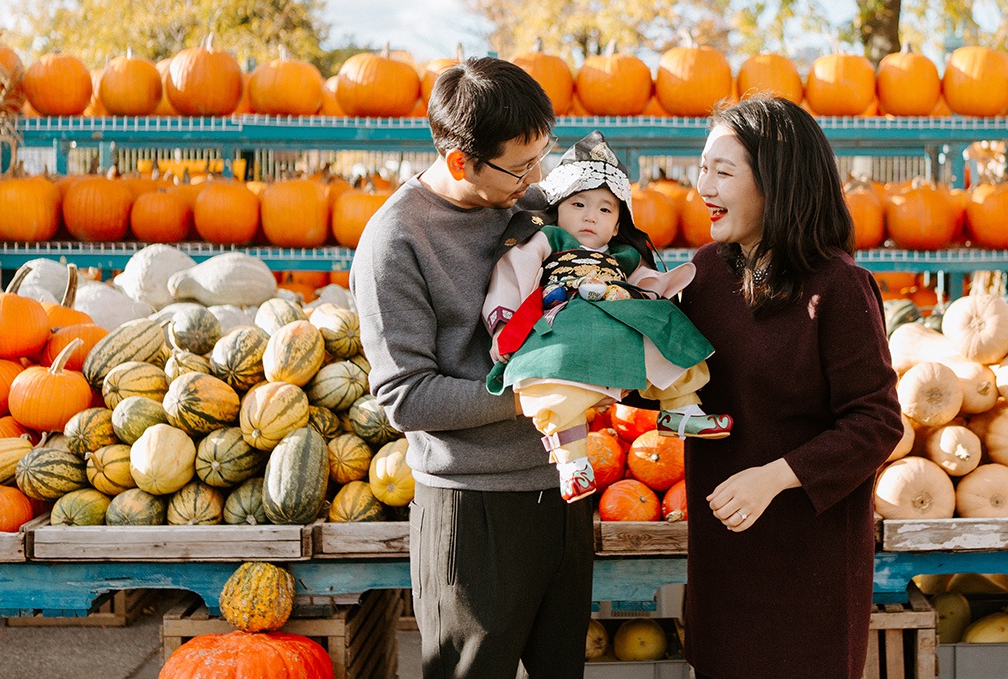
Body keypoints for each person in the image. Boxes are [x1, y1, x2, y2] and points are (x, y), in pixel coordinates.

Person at [351, 57, 592, 679]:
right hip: (471, 508)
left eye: (542, 155)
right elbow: (406, 397)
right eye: (519, 164)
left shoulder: (536, 210)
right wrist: (532, 396)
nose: (535, 176)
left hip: (562, 492)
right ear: (460, 161)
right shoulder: (395, 240)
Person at [680, 96, 904, 679]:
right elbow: (674, 384)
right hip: (723, 557)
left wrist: (775, 477)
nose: (703, 185)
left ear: (776, 181)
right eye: (703, 167)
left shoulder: (840, 288)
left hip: (810, 567)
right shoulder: (702, 275)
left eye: (723, 172)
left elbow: (876, 422)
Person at [481, 131, 732, 503]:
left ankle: (682, 408)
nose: (590, 216)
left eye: (604, 209)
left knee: (667, 332)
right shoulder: (549, 240)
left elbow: (643, 279)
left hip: (617, 312)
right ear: (558, 210)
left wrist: (653, 290)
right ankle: (572, 464)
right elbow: (514, 270)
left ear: (616, 225)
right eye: (578, 205)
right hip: (567, 318)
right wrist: (505, 323)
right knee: (558, 380)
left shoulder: (621, 256)